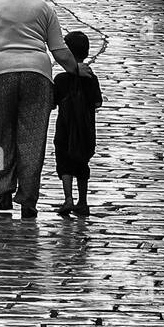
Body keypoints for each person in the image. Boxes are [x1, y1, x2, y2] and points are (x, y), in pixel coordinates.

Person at [0, 0, 92, 219]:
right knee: (32, 139)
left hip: (0, 74)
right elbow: (59, 51)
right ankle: (28, 199)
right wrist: (76, 69)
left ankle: (2, 192)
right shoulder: (44, 8)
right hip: (37, 75)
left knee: (0, 134)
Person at [51, 31, 102, 216]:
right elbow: (97, 102)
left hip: (64, 128)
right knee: (82, 164)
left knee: (64, 163)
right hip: (85, 130)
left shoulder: (60, 79)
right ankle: (83, 201)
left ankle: (68, 199)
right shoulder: (91, 78)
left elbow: (52, 103)